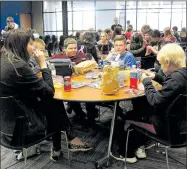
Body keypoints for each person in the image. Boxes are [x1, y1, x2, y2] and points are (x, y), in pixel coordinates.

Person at [0, 29, 92, 162]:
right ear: (21, 45)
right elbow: (50, 91)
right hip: (20, 129)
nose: (34, 48)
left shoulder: (5, 61)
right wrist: (43, 64)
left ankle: (59, 148)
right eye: (31, 44)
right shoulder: (18, 67)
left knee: (52, 103)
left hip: (5, 124)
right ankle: (68, 140)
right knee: (53, 101)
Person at [111, 43, 187, 163]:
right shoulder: (181, 75)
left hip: (169, 131)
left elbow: (155, 101)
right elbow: (172, 87)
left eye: (161, 64)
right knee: (141, 106)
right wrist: (156, 77)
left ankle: (126, 153)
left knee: (124, 118)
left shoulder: (174, 80)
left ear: (167, 62)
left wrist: (146, 82)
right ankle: (140, 144)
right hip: (181, 125)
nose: (161, 68)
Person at [52, 38, 98, 127]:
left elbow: (91, 68)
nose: (74, 50)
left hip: (83, 82)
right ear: (64, 49)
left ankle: (91, 118)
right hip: (65, 83)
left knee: (90, 95)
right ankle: (80, 113)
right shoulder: (57, 58)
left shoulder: (82, 55)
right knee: (71, 95)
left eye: (75, 48)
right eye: (70, 48)